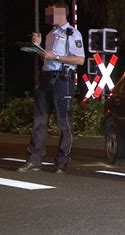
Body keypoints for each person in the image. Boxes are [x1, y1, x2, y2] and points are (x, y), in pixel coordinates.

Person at [18, 0, 85, 173]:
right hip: (46, 79)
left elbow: (80, 59)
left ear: (62, 13)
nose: (49, 16)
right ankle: (34, 160)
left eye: (52, 13)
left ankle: (62, 161)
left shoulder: (72, 34)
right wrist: (38, 46)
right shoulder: (50, 34)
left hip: (63, 80)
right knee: (39, 120)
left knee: (64, 123)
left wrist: (56, 57)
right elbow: (46, 58)